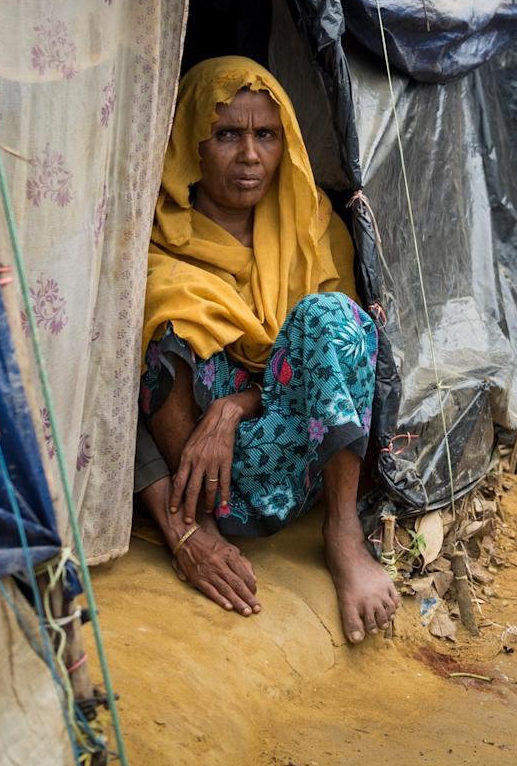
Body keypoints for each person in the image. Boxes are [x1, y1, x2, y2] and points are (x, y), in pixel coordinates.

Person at [133, 56, 397, 643]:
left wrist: (233, 409)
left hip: (302, 456)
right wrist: (182, 527)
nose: (250, 156)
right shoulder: (151, 234)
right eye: (227, 134)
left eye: (266, 135)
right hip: (207, 479)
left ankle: (343, 533)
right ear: (190, 143)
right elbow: (110, 388)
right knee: (167, 311)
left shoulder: (313, 228)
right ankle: (194, 522)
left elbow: (339, 362)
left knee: (329, 316)